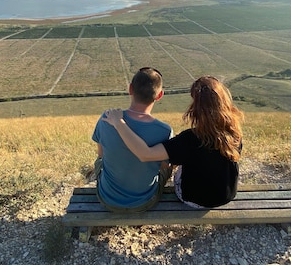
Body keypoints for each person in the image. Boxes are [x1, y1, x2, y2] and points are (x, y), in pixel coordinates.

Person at [103, 75, 243, 209]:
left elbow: (145, 154)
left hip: (195, 200)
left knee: (170, 164)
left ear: (196, 107)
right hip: (226, 196)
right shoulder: (235, 132)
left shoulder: (190, 139)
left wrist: (119, 122)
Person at [92, 67, 173, 212]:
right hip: (144, 202)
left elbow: (101, 155)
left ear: (130, 89)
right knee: (169, 166)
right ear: (159, 95)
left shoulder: (106, 118)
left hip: (107, 199)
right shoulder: (165, 131)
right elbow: (163, 166)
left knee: (99, 162)